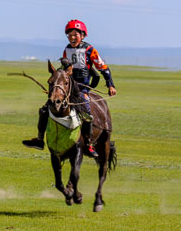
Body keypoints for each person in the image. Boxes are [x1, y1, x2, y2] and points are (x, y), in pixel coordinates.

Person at [22, 19, 117, 158]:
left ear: (83, 35)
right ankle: (40, 139)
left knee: (87, 113)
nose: (72, 38)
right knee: (44, 110)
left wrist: (110, 85)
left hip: (82, 89)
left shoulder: (90, 50)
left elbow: (103, 68)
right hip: (68, 88)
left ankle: (89, 144)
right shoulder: (67, 49)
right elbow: (66, 71)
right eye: (69, 35)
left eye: (75, 35)